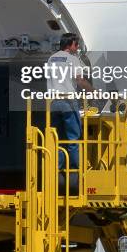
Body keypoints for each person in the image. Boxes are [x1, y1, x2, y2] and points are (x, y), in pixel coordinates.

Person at [46, 32, 92, 170]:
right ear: (70, 44)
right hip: (68, 102)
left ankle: (57, 169)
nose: (77, 48)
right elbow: (79, 80)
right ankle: (79, 169)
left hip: (53, 103)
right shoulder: (72, 59)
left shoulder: (51, 58)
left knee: (58, 138)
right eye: (76, 45)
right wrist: (95, 92)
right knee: (73, 138)